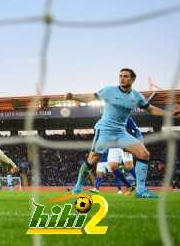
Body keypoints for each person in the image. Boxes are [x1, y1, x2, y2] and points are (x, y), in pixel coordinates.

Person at [68, 68, 180, 198]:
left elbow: (150, 109)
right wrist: (73, 97)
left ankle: (141, 190)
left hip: (121, 133)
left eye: (126, 76)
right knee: (92, 160)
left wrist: (169, 115)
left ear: (132, 79)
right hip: (105, 130)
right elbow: (90, 97)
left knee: (144, 154)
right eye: (120, 76)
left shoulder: (136, 96)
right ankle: (77, 187)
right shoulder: (110, 90)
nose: (122, 78)